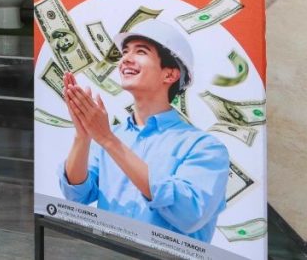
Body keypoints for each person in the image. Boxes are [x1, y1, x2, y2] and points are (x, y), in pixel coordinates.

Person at [60, 18, 229, 242]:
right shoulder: (113, 135)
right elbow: (76, 195)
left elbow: (189, 214)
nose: (125, 59)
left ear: (169, 74)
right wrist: (82, 136)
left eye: (141, 51)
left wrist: (107, 140)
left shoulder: (205, 147)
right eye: (125, 52)